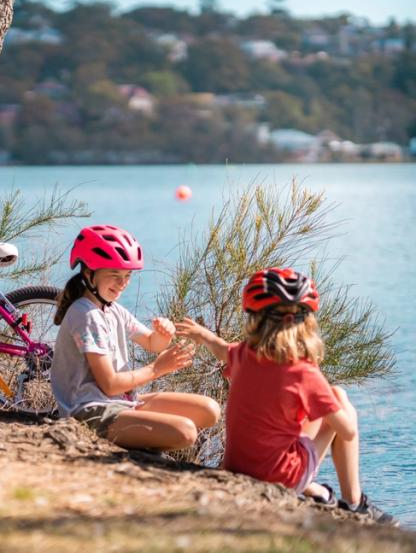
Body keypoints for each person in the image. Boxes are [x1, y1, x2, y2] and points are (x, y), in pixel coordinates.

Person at [176, 268, 397, 525]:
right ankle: (355, 504)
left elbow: (223, 350)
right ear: (306, 322)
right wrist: (333, 399)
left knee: (295, 417)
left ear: (255, 318)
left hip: (236, 469)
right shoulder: (303, 372)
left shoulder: (245, 354)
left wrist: (204, 335)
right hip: (280, 478)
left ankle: (317, 492)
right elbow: (346, 431)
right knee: (340, 399)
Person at [51, 225, 220, 450]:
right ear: (89, 273)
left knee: (210, 410)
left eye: (127, 276)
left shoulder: (112, 310)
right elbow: (109, 385)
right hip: (89, 411)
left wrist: (163, 334)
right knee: (185, 431)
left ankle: (139, 428)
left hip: (119, 402)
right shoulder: (86, 316)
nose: (122, 284)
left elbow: (152, 343)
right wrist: (156, 369)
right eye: (114, 275)